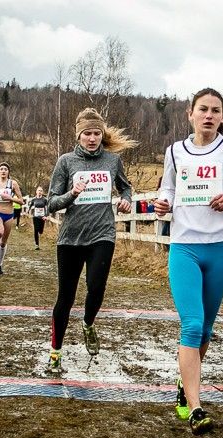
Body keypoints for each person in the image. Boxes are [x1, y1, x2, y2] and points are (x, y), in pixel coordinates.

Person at [154, 88, 223, 435]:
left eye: (216, 110)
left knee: (206, 330)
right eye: (203, 109)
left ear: (221, 116)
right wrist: (162, 202)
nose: (209, 115)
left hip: (219, 246)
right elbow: (168, 189)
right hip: (184, 245)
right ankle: (196, 407)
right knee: (192, 324)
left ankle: (184, 384)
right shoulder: (175, 151)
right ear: (190, 113)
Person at [47, 108, 137, 370]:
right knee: (65, 297)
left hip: (102, 235)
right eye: (87, 133)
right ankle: (55, 353)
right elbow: (51, 203)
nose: (92, 138)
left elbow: (126, 188)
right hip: (70, 238)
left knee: (96, 287)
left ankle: (88, 323)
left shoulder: (112, 160)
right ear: (78, 136)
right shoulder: (66, 162)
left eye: (97, 133)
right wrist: (72, 194)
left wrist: (126, 200)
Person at [0, 163, 25, 275]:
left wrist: (10, 198)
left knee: (3, 243)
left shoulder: (13, 183)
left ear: (8, 172)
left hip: (9, 215)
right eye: (1, 169)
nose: (3, 171)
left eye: (5, 169)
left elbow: (21, 201)